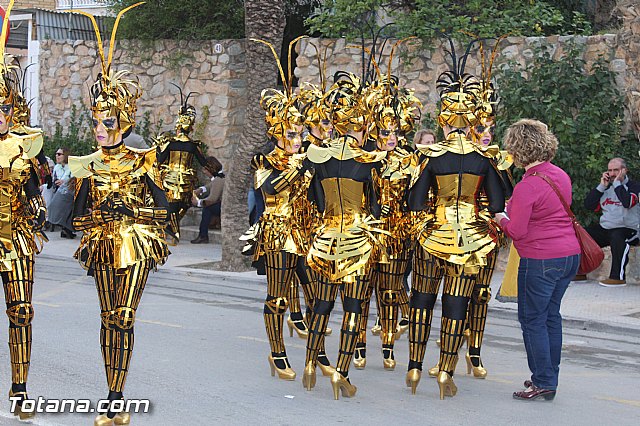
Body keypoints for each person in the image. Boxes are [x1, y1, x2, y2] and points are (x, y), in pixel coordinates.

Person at [69, 5, 170, 425]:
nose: (98, 127)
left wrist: (131, 208)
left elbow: (164, 210)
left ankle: (116, 397)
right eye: (96, 120)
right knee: (108, 317)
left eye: (106, 121)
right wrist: (96, 214)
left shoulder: (143, 159)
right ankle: (111, 392)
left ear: (123, 122)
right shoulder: (87, 165)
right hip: (102, 244)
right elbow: (74, 219)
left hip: (136, 243)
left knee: (125, 316)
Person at [407, 44, 505, 399]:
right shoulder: (483, 157)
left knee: (422, 300)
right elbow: (497, 201)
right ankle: (446, 370)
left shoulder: (432, 156)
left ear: (445, 121)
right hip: (471, 240)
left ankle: (415, 367)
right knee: (456, 306)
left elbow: (415, 200)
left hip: (434, 234)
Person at [303, 71, 386, 399]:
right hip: (357, 243)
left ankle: (310, 364)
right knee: (353, 308)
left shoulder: (319, 158)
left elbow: (315, 199)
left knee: (321, 304)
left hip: (326, 239)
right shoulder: (368, 162)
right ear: (361, 128)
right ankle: (341, 371)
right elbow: (376, 208)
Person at [495, 119, 580, 401]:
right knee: (550, 316)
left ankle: (542, 380)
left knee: (532, 319)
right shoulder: (560, 175)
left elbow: (517, 231)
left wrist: (499, 219)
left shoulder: (527, 185)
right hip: (569, 255)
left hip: (541, 258)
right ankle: (548, 376)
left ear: (518, 149)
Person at [0, 2, 47, 418]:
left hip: (14, 238)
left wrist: (37, 205)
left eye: (3, 107)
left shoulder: (24, 143)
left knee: (22, 311)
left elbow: (33, 187)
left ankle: (20, 387)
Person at [156, 86, 216, 243]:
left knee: (170, 205)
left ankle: (169, 229)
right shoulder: (192, 145)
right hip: (185, 181)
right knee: (183, 205)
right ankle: (172, 230)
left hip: (169, 179)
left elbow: (159, 159)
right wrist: (217, 173)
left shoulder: (169, 143)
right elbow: (203, 162)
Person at [581, 157, 640, 286]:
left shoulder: (635, 187)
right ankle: (580, 271)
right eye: (610, 170)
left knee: (617, 235)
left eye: (616, 170)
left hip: (630, 230)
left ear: (625, 170)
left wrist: (618, 184)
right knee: (582, 234)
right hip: (607, 229)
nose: (612, 174)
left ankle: (617, 278)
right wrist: (602, 186)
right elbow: (589, 205)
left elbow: (627, 203)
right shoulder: (606, 188)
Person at [190, 156, 224, 244]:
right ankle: (203, 235)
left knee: (208, 208)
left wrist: (198, 203)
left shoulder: (218, 180)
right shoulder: (219, 177)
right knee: (208, 209)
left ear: (210, 169)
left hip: (225, 207)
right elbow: (210, 186)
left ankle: (203, 235)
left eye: (205, 170)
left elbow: (212, 199)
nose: (204, 172)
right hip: (223, 205)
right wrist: (200, 190)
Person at [47, 147, 76, 238]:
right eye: (56, 154)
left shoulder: (72, 167)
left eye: (59, 154)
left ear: (65, 155)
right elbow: (53, 180)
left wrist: (64, 182)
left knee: (64, 197)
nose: (57, 156)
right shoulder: (57, 167)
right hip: (58, 190)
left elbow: (73, 180)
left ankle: (65, 227)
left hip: (69, 190)